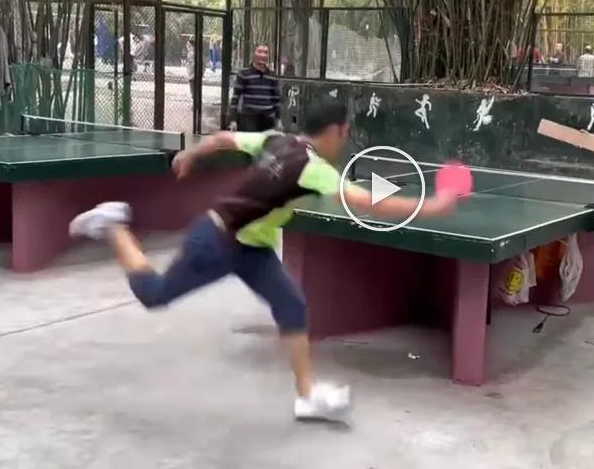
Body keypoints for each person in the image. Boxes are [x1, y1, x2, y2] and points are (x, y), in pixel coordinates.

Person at [67, 98, 460, 421]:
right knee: (154, 294)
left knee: (292, 305)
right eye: (346, 132)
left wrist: (190, 153)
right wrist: (433, 205)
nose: (346, 138)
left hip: (251, 247)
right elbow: (361, 200)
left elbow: (222, 139)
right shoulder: (314, 169)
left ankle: (307, 397)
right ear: (337, 131)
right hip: (218, 241)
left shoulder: (276, 138)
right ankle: (113, 225)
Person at [229, 44, 281, 132]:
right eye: (259, 52)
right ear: (254, 53)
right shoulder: (244, 74)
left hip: (268, 119)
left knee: (267, 145)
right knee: (251, 145)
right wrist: (233, 120)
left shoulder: (272, 76)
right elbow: (235, 98)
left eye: (266, 52)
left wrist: (278, 119)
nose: (263, 55)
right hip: (249, 119)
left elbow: (276, 100)